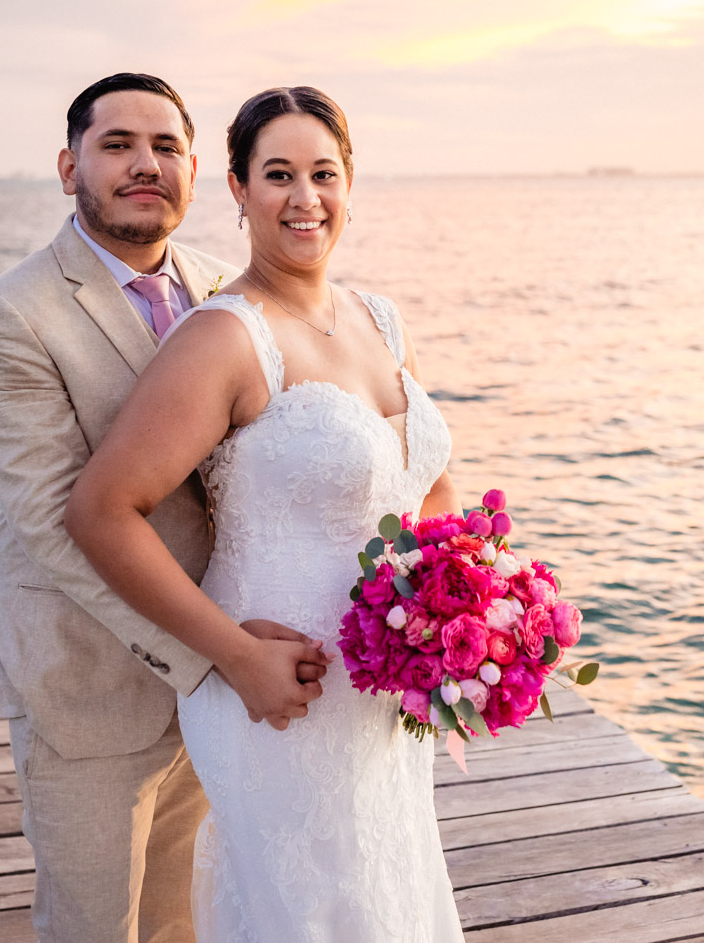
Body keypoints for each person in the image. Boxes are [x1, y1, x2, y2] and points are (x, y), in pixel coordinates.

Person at [65, 86, 467, 940]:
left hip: (385, 696)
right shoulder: (224, 338)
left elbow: (425, 483)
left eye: (324, 173)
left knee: (388, 903)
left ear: (351, 184)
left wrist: (467, 607)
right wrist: (235, 654)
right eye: (277, 174)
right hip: (277, 696)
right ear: (239, 190)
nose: (304, 197)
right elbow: (102, 511)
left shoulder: (382, 322)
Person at [0, 73, 330, 942]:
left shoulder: (227, 293)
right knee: (95, 923)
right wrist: (219, 654)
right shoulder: (9, 315)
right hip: (91, 684)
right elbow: (55, 522)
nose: (144, 164)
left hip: (224, 677)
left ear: (198, 171)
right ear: (68, 166)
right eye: (117, 144)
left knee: (180, 916)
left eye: (165, 147)